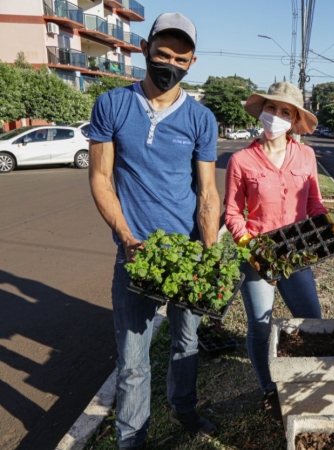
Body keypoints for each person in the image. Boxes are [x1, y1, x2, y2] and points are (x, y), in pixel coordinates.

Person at [88, 13, 220, 448]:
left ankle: (184, 410)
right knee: (132, 359)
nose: (169, 63)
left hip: (184, 254)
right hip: (135, 254)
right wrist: (126, 237)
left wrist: (209, 252)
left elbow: (206, 193)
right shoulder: (112, 104)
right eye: (162, 54)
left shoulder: (201, 119)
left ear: (192, 62)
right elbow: (101, 178)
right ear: (145, 48)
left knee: (186, 343)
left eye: (180, 58)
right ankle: (132, 438)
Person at [223, 82, 328, 421]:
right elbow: (232, 213)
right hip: (258, 253)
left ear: (296, 121)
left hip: (295, 251)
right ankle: (269, 388)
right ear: (262, 111)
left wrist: (323, 230)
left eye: (286, 112)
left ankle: (305, 380)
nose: (276, 117)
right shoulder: (241, 160)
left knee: (312, 321)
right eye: (272, 108)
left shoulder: (306, 155)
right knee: (260, 325)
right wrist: (250, 246)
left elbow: (314, 202)